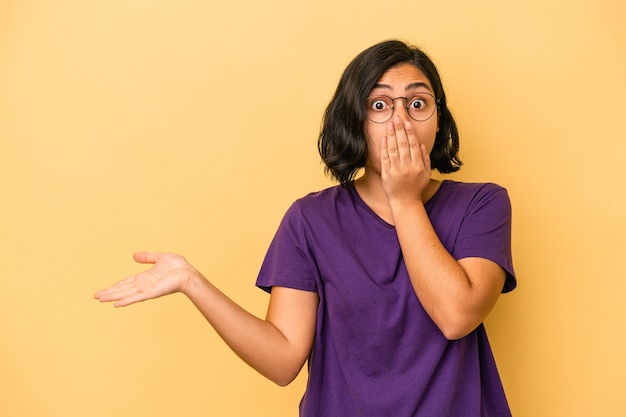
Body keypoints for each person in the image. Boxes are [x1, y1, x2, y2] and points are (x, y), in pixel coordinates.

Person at [95, 39, 516, 417]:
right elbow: (282, 361)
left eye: (418, 104)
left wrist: (404, 198)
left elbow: (456, 316)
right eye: (380, 105)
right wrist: (191, 282)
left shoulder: (481, 203)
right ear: (355, 121)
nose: (401, 121)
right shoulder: (310, 220)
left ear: (438, 120)